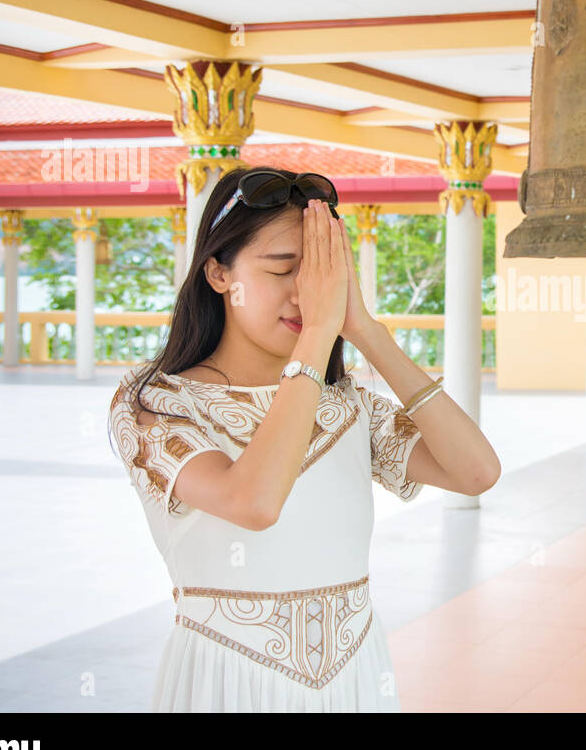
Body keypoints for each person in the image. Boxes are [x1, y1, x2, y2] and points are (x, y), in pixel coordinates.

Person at [107, 166, 500, 712]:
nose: (304, 295)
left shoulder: (346, 405)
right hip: (227, 683)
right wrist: (318, 334)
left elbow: (476, 472)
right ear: (218, 273)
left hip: (354, 679)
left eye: (319, 276)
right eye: (282, 269)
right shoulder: (156, 403)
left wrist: (365, 330)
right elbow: (255, 502)